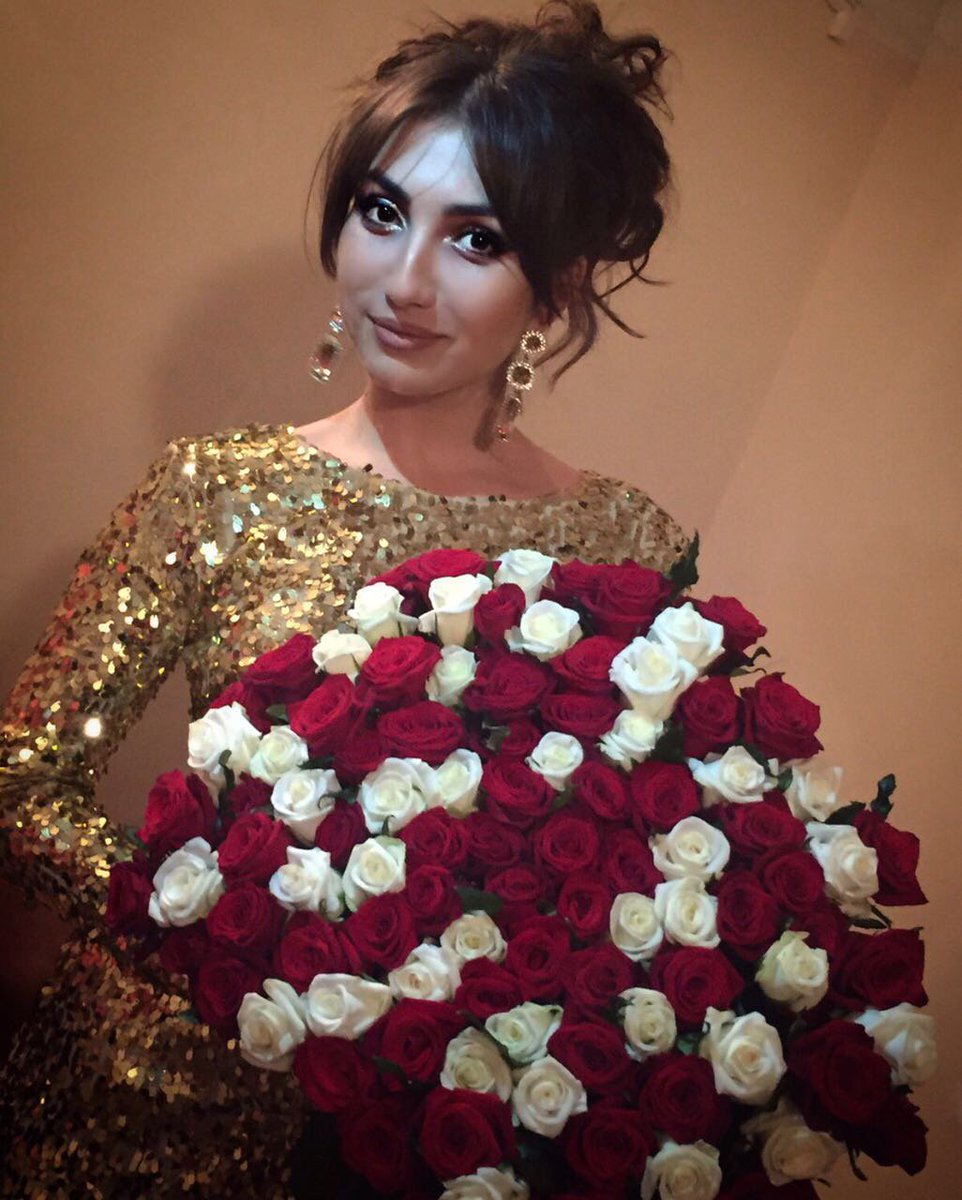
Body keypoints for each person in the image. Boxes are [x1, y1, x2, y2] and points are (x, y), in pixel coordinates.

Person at [0, 2, 689, 1195]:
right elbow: (25, 777)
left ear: (558, 288)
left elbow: (640, 854)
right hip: (162, 1097)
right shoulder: (214, 488)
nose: (403, 280)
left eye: (476, 239)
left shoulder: (627, 546)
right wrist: (206, 928)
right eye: (381, 212)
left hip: (451, 1130)